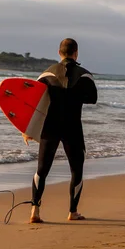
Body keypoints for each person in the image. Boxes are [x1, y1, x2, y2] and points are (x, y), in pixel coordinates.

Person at [25, 38, 98, 223]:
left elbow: (33, 101)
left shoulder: (46, 74)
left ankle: (35, 210)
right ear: (76, 53)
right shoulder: (85, 75)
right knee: (77, 169)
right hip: (72, 126)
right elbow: (93, 98)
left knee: (42, 169)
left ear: (59, 53)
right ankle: (72, 212)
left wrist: (26, 129)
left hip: (51, 126)